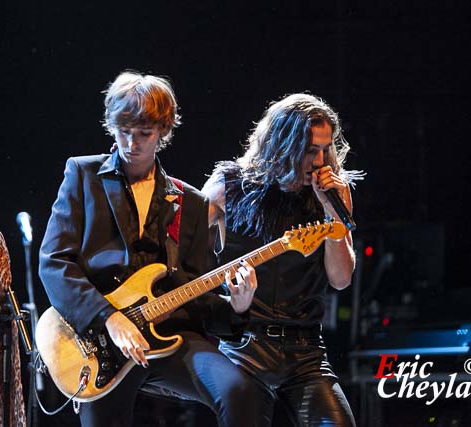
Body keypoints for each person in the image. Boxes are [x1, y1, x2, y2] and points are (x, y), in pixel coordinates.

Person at [38, 70, 261, 427]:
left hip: (169, 336)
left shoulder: (189, 201)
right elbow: (54, 263)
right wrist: (108, 319)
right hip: (99, 340)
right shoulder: (82, 175)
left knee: (239, 390)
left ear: (163, 131)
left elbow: (196, 293)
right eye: (124, 132)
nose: (132, 144)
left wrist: (238, 307)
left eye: (144, 133)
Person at [202, 93, 361, 426]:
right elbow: (186, 260)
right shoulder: (227, 187)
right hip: (244, 350)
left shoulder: (333, 193)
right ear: (281, 145)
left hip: (305, 353)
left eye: (324, 149)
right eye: (308, 150)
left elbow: (341, 278)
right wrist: (226, 303)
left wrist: (334, 211)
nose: (319, 162)